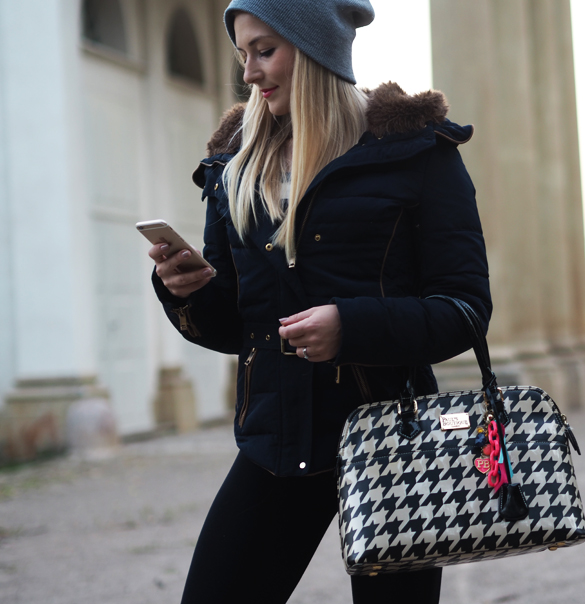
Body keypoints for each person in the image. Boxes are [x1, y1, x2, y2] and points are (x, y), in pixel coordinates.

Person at [148, 1, 492, 602]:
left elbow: (465, 309)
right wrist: (188, 292)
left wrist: (349, 327)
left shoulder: (419, 153)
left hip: (396, 444)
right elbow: (238, 328)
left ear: (315, 49)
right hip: (278, 442)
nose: (249, 72)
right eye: (242, 54)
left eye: (264, 50)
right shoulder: (233, 166)